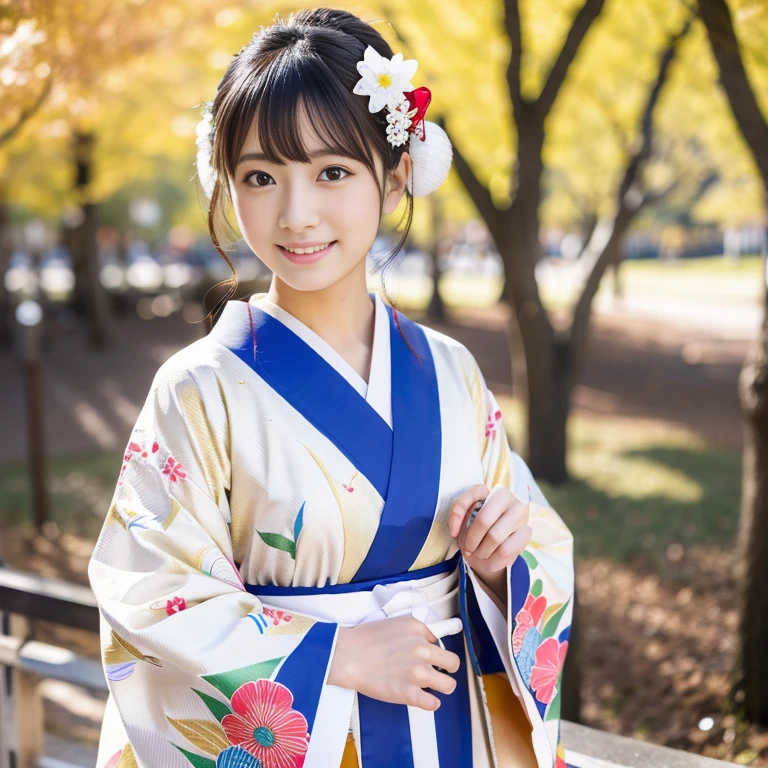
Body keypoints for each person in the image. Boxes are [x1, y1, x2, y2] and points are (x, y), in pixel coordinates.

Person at [87, 8, 575, 768]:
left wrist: (500, 558)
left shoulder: (450, 371)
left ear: (397, 174)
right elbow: (149, 590)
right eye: (260, 176)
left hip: (451, 726)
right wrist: (330, 655)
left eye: (333, 172)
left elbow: (534, 543)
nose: (297, 212)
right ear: (227, 186)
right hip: (306, 739)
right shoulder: (196, 390)